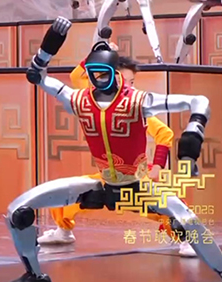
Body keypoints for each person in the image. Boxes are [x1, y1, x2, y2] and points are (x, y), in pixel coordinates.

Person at [8, 17, 222, 282]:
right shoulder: (79, 99)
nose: (99, 80)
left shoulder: (138, 102)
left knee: (185, 219)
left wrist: (191, 140)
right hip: (103, 182)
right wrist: (44, 53)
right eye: (95, 74)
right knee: (18, 211)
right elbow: (38, 77)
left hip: (138, 184)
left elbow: (197, 102)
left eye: (105, 73)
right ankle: (36, 273)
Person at [39, 53, 196, 257]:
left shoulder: (134, 106)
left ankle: (187, 239)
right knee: (67, 195)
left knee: (167, 206)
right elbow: (77, 77)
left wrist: (157, 166)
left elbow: (164, 133)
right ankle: (63, 231)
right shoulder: (91, 99)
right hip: (108, 176)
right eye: (124, 80)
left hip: (136, 176)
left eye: (132, 82)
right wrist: (98, 52)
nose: (129, 86)